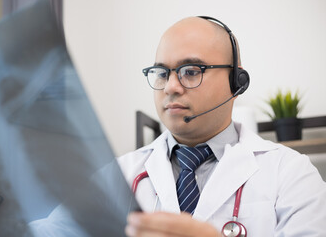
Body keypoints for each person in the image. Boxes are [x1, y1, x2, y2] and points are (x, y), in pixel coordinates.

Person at [119, 16, 326, 236]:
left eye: (190, 71)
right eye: (161, 73)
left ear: (236, 82)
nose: (170, 87)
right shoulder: (116, 174)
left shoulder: (293, 174)